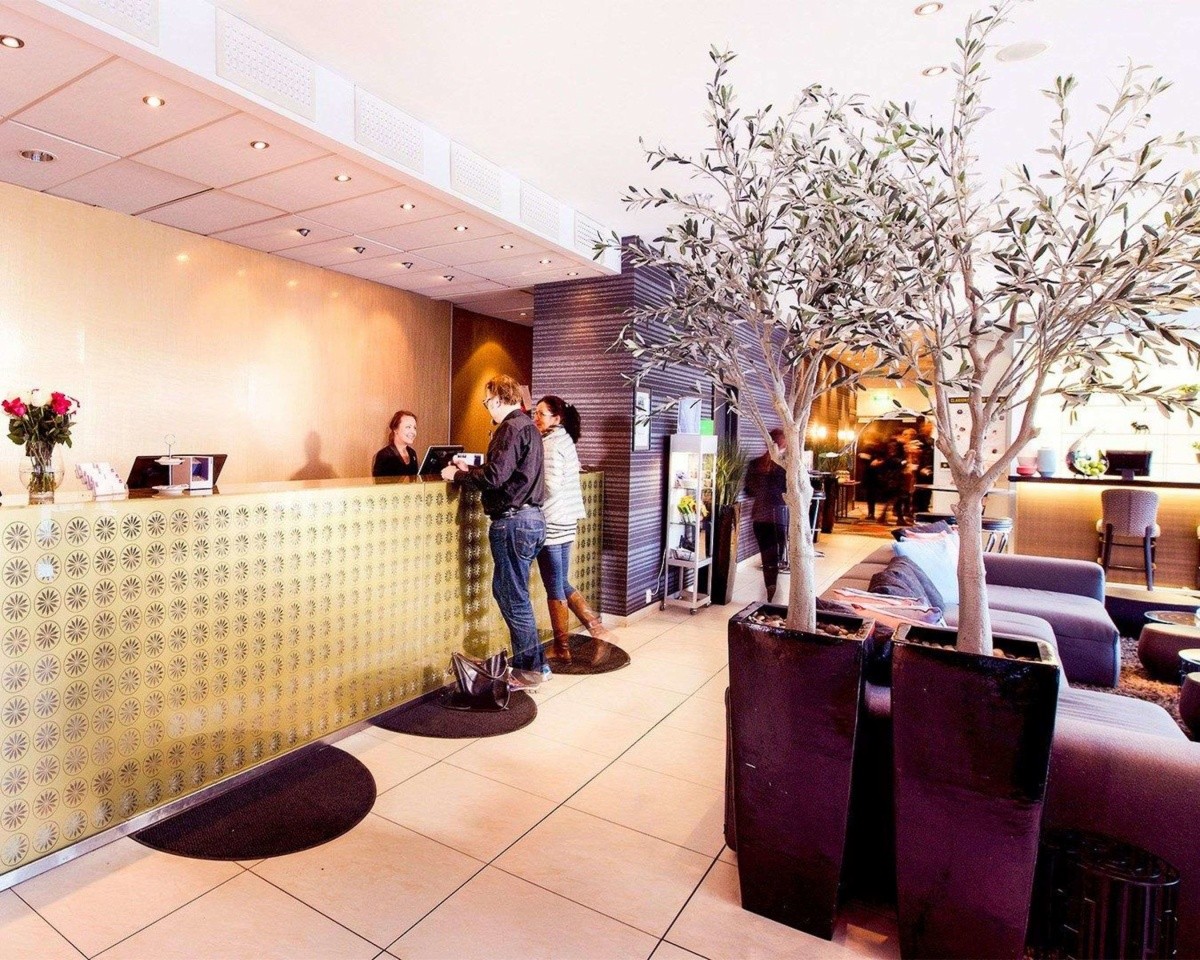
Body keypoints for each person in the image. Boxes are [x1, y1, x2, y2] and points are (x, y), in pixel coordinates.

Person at [442, 376, 549, 680]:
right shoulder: (529, 427)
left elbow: (495, 477)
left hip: (513, 522)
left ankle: (530, 670)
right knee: (513, 595)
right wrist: (473, 471)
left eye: (487, 401)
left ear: (499, 399)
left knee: (512, 597)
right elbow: (508, 473)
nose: (486, 406)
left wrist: (457, 475)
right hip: (532, 519)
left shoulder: (509, 428)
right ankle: (537, 665)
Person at [532, 395, 614, 663]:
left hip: (553, 520)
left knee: (554, 585)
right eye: (535, 413)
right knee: (560, 581)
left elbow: (550, 485)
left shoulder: (551, 444)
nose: (536, 417)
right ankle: (596, 630)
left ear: (556, 418)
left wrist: (527, 493)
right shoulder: (564, 439)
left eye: (541, 413)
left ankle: (562, 647)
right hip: (566, 520)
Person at [744, 428, 788, 602]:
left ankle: (770, 586)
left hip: (759, 517)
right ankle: (772, 590)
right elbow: (788, 491)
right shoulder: (785, 465)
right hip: (778, 517)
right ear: (783, 443)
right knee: (776, 556)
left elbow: (748, 491)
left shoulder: (755, 464)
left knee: (767, 556)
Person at [372, 410, 419, 477]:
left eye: (414, 428)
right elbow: (380, 482)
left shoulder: (412, 453)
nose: (413, 431)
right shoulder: (384, 455)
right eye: (408, 427)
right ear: (395, 429)